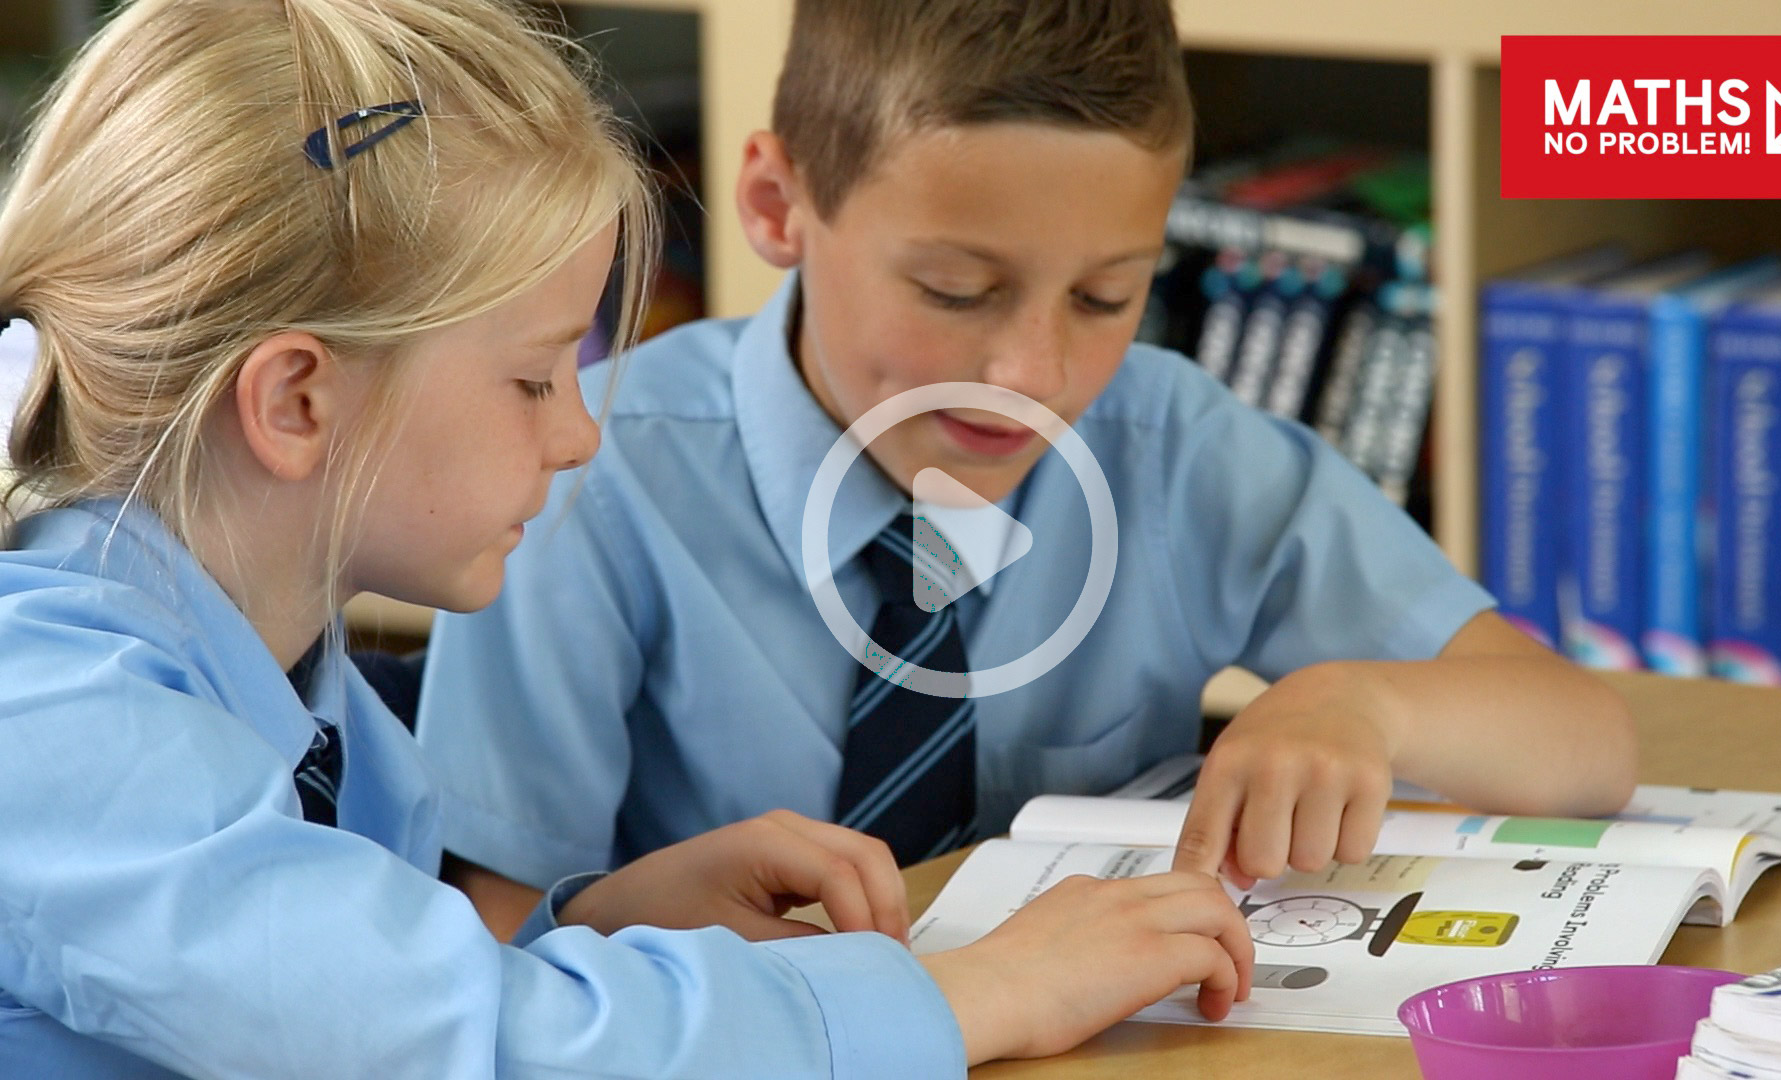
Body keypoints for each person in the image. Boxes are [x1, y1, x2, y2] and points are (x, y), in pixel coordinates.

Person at [0, 0, 1253, 1075]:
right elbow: (473, 1049)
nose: (579, 435)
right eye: (536, 379)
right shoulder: (55, 721)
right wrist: (971, 996)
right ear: (295, 402)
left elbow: (344, 1010)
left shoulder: (289, 678)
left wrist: (590, 924)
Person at [416, 0, 1639, 937]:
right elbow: (494, 941)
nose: (1034, 373)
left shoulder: (1171, 449)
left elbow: (1585, 741)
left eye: (1107, 296)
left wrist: (1364, 704)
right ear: (778, 204)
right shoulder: (586, 476)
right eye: (957, 290)